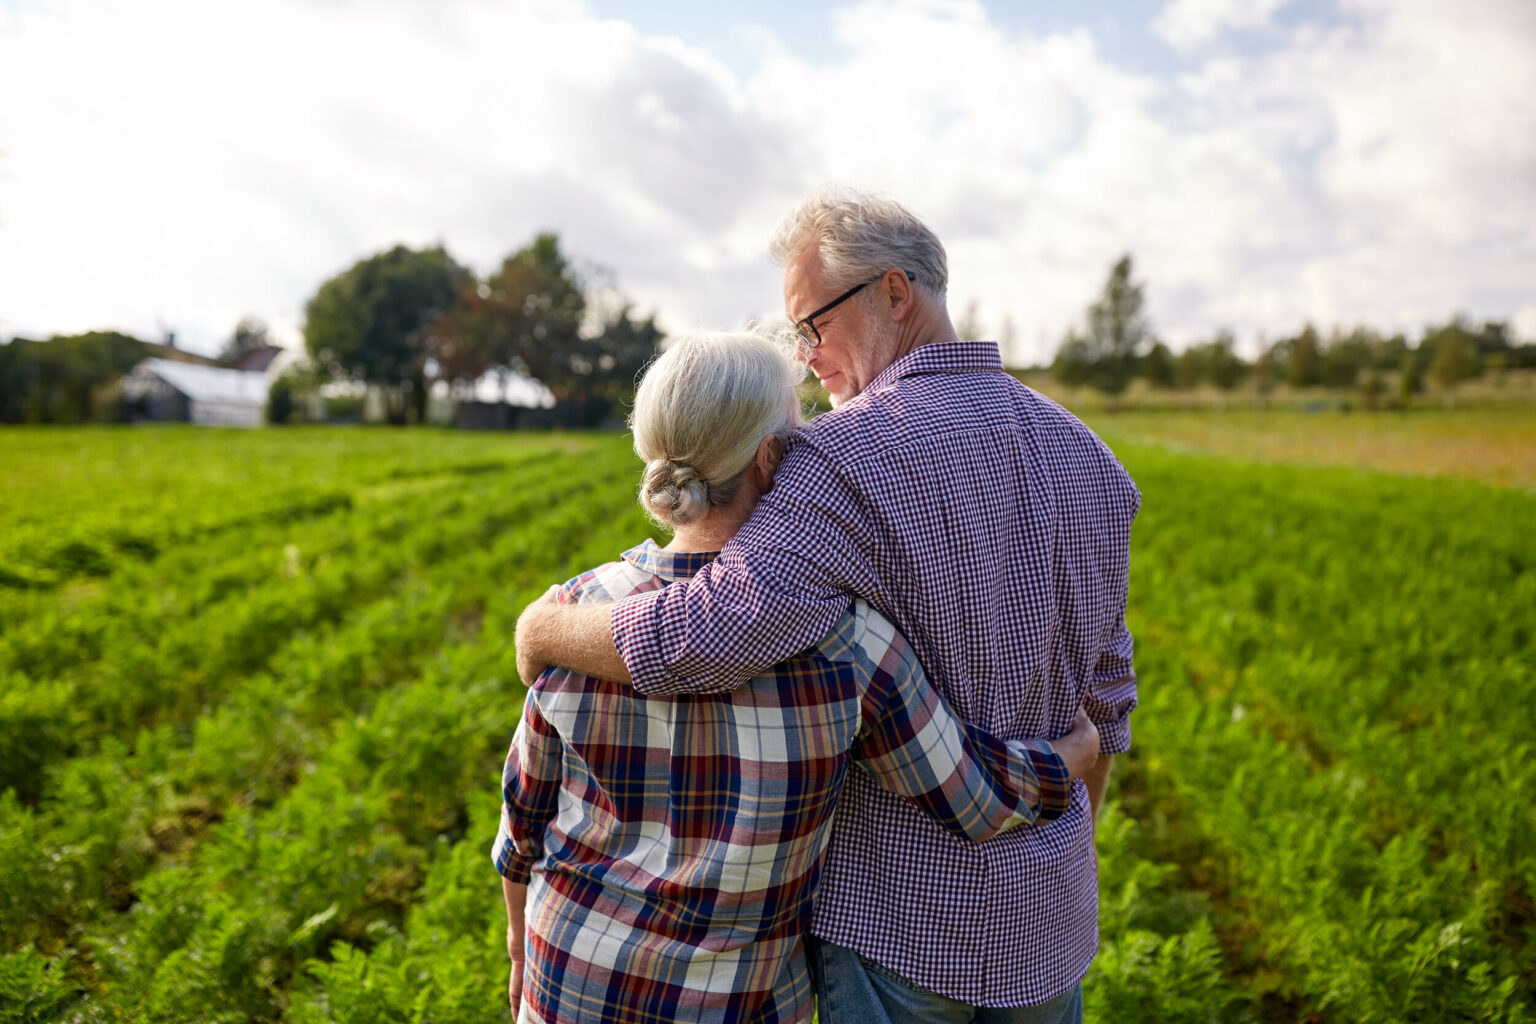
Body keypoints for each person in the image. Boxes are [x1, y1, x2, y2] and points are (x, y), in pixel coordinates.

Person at [515, 187, 1141, 1023]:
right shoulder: (1093, 460)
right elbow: (1108, 697)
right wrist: (1072, 823)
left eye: (813, 324)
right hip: (1050, 924)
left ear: (893, 292)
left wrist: (544, 626)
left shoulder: (834, 458)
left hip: (898, 926)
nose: (807, 356)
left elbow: (711, 630)